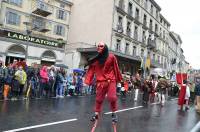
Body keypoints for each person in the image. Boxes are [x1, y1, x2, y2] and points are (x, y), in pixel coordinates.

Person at [84, 41, 122, 123]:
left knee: (112, 97)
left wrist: (118, 79)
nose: (99, 47)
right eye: (98, 46)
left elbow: (116, 68)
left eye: (101, 46)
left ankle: (114, 113)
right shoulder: (95, 60)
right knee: (98, 99)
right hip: (100, 82)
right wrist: (87, 81)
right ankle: (96, 114)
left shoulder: (112, 57)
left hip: (111, 80)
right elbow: (91, 71)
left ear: (105, 48)